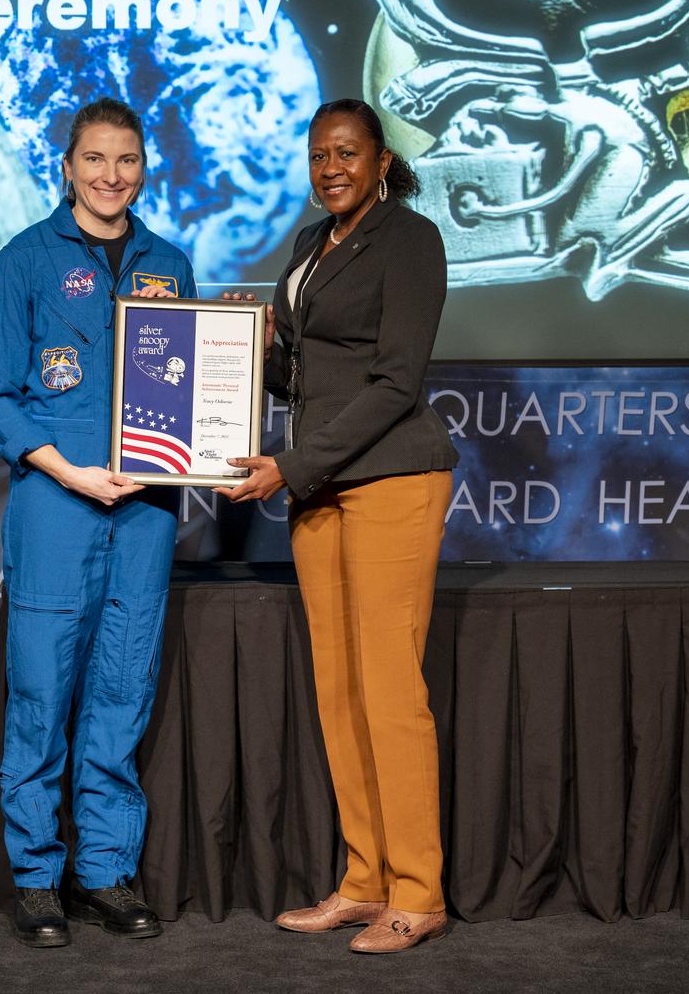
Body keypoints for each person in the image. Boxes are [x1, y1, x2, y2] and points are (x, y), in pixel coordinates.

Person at [217, 98, 457, 954]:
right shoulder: (305, 248)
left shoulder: (411, 241)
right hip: (318, 488)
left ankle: (419, 890)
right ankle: (365, 880)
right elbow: (299, 376)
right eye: (319, 155)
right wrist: (241, 344)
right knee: (340, 690)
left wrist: (295, 465)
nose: (331, 168)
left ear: (381, 160)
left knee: (391, 690)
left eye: (347, 153)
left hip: (390, 477)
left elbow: (395, 382)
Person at [0, 97, 195, 948]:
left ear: (144, 168)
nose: (112, 176)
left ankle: (104, 871)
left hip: (143, 512)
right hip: (56, 505)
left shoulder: (169, 267)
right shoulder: (25, 261)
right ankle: (37, 877)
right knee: (41, 691)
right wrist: (66, 469)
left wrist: (177, 452)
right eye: (96, 160)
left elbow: (182, 392)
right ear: (67, 166)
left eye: (127, 160)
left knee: (121, 691)